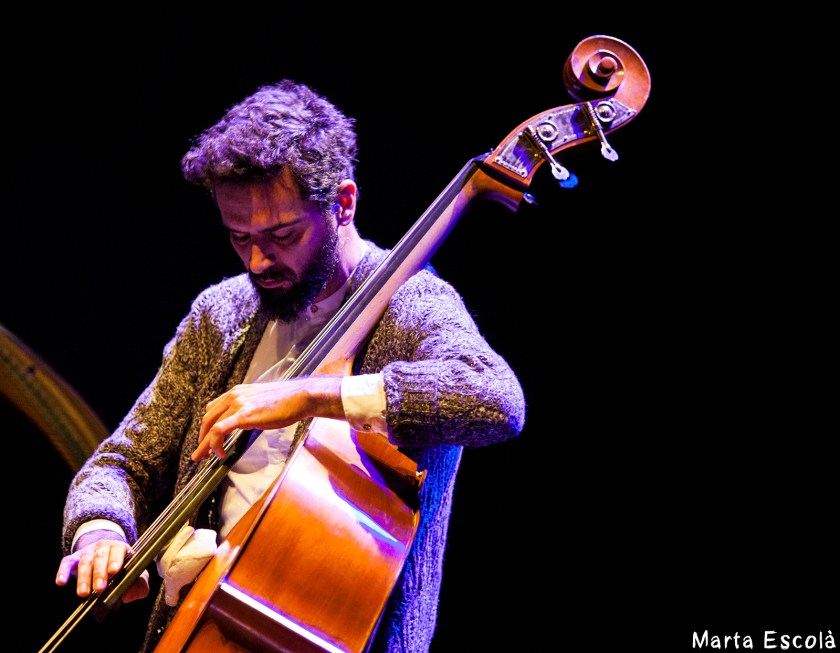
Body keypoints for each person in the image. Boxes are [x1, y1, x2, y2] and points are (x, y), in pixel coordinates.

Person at [55, 79, 526, 653]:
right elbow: (125, 459)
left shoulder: (412, 306)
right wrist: (99, 529)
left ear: (343, 203)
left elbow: (496, 399)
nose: (258, 260)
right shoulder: (223, 313)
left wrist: (311, 396)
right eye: (239, 237)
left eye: (282, 234)